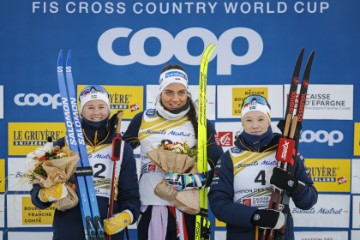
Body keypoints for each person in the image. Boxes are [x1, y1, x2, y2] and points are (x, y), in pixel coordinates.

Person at [122, 64, 224, 240]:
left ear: (187, 93)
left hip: (187, 205)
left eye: (181, 92)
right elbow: (121, 157)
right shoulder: (144, 118)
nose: (175, 98)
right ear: (160, 91)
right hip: (150, 202)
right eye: (169, 92)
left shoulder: (200, 123)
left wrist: (191, 180)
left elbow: (220, 168)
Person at [30, 85, 140, 240]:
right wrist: (44, 194)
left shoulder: (121, 147)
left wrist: (125, 217)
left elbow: (131, 195)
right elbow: (37, 192)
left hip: (106, 225)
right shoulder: (64, 144)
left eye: (101, 106)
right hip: (69, 226)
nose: (96, 112)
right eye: (90, 107)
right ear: (81, 111)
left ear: (108, 110)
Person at [208, 94, 318, 240]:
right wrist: (256, 217)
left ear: (269, 120)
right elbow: (219, 204)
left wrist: (292, 184)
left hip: (279, 234)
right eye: (249, 120)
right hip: (241, 234)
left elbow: (309, 200)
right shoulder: (229, 157)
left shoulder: (286, 152)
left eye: (260, 119)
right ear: (242, 122)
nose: (255, 125)